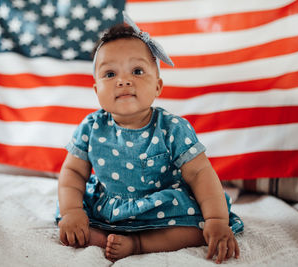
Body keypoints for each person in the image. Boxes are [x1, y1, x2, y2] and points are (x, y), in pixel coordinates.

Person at [56, 12, 243, 264]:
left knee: (197, 230)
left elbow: (200, 173)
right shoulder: (91, 127)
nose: (123, 81)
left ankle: (140, 244)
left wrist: (216, 220)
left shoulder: (171, 128)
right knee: (72, 227)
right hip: (110, 206)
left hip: (162, 209)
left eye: (137, 71)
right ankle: (101, 236)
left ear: (157, 86)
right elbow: (73, 174)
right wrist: (72, 211)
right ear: (96, 89)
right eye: (110, 74)